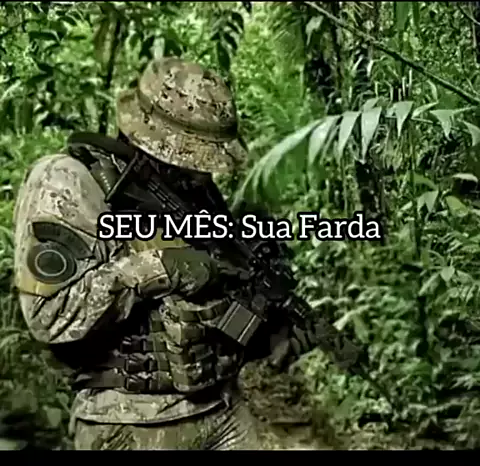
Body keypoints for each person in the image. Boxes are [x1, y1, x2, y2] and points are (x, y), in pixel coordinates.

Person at [13, 57, 339, 450]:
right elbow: (49, 314)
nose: (202, 174)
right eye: (192, 158)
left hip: (220, 408)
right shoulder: (69, 181)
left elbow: (216, 305)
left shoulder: (192, 192)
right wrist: (158, 269)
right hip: (128, 422)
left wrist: (272, 331)